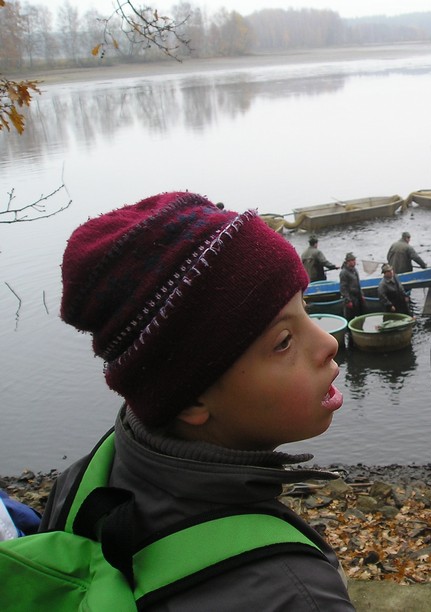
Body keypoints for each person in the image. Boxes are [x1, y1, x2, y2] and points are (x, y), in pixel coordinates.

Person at [41, 192, 354, 609]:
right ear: (189, 400)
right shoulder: (297, 595)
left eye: (306, 307)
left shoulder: (80, 482)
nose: (329, 342)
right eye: (283, 342)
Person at [339, 251, 366, 320]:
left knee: (361, 316)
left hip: (357, 297)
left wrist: (361, 294)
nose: (354, 262)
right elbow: (343, 288)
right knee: (350, 318)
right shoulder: (344, 273)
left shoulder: (355, 270)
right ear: (348, 262)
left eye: (354, 260)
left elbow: (358, 284)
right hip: (350, 298)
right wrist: (348, 301)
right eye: (352, 260)